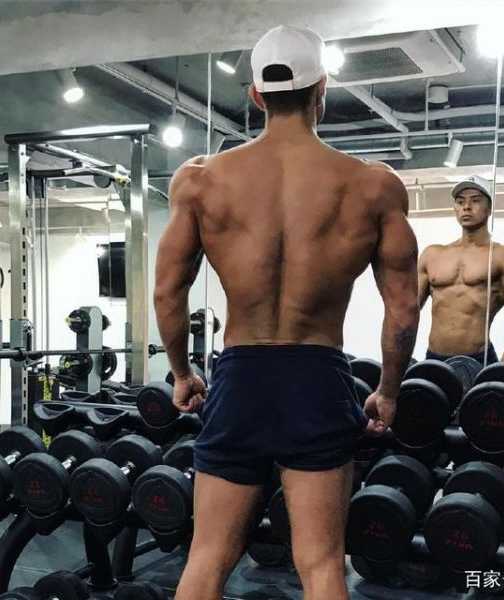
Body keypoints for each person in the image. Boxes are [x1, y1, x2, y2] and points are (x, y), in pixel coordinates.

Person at [154, 25, 419, 600]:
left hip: (240, 376)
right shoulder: (373, 186)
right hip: (317, 377)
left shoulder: (199, 181)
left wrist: (181, 373)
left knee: (206, 558)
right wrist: (389, 391)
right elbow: (402, 306)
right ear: (322, 89)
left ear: (255, 95)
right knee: (321, 566)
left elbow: (168, 292)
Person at [418, 175, 504, 364]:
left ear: (489, 208)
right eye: (460, 201)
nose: (466, 206)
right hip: (433, 358)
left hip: (478, 359)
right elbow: (407, 310)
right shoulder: (432, 255)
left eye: (476, 200)